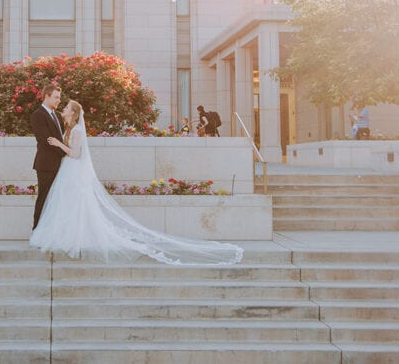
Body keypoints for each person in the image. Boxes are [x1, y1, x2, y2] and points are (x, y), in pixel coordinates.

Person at [30, 100, 243, 266]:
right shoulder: (70, 128)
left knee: (77, 204)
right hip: (69, 172)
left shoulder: (76, 131)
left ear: (74, 113)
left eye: (66, 107)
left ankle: (75, 236)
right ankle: (66, 233)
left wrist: (59, 144)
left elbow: (76, 154)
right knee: (69, 205)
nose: (63, 109)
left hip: (73, 169)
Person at [31, 83, 66, 229]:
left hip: (61, 165)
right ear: (47, 96)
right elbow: (46, 141)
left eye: (59, 97)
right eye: (56, 97)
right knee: (44, 198)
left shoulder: (57, 115)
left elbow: (61, 138)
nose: (59, 100)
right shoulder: (37, 115)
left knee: (57, 200)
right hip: (46, 165)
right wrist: (65, 152)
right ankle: (37, 231)